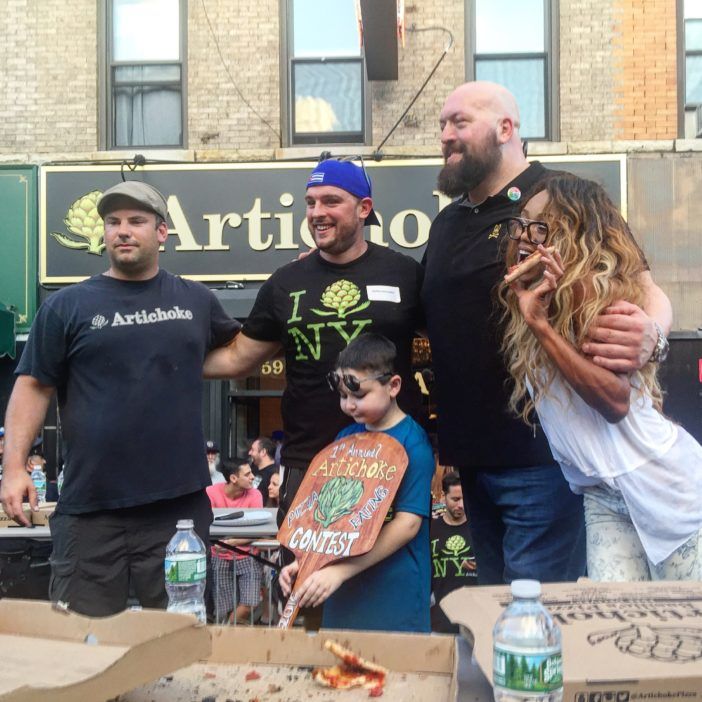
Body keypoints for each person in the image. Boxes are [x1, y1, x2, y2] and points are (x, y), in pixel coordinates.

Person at [421, 80, 673, 584]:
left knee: (534, 617)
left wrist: (654, 334)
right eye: (443, 125)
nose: (446, 135)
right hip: (469, 460)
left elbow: (649, 290)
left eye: (460, 122)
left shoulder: (563, 196)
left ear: (506, 128)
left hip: (543, 457)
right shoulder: (447, 223)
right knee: (497, 611)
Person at [0, 181, 240, 616]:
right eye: (113, 222)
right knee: (80, 645)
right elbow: (33, 385)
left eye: (136, 221)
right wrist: (14, 467)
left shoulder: (196, 300)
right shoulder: (66, 306)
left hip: (177, 513)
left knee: (177, 645)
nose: (123, 231)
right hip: (90, 510)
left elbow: (241, 354)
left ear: (162, 232)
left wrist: (288, 296)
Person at [500, 174, 702, 581]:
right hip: (601, 494)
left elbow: (614, 402)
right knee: (620, 631)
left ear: (574, 235)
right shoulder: (535, 298)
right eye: (520, 224)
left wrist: (542, 326)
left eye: (541, 228)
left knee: (687, 633)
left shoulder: (597, 300)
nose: (524, 237)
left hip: (663, 486)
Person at [204, 158, 424, 518]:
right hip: (309, 463)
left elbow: (451, 342)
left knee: (388, 571)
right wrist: (164, 361)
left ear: (364, 208)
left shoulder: (404, 273)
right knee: (304, 574)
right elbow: (237, 358)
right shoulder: (285, 282)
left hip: (390, 457)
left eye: (331, 201)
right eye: (311, 202)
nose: (317, 212)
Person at [279, 333, 434, 632]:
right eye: (342, 395)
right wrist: (305, 564)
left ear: (393, 386)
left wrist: (340, 571)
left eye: (359, 395)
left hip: (395, 596)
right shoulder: (344, 438)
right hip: (343, 596)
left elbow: (408, 524)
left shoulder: (413, 443)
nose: (349, 404)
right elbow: (327, 519)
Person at [207, 459, 264, 623]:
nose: (253, 477)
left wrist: (232, 542)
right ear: (233, 479)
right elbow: (206, 524)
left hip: (248, 556)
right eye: (247, 474)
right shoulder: (211, 492)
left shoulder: (255, 494)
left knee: (250, 603)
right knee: (223, 607)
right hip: (220, 557)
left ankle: (225, 632)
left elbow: (257, 530)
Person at [430, 472, 477, 633]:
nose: (461, 505)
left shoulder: (479, 530)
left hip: (475, 621)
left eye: (464, 499)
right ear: (443, 497)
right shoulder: (431, 530)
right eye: (455, 499)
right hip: (440, 620)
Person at [248, 436, 277, 502]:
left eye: (252, 450)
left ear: (263, 452)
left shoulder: (274, 474)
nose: (249, 453)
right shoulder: (253, 469)